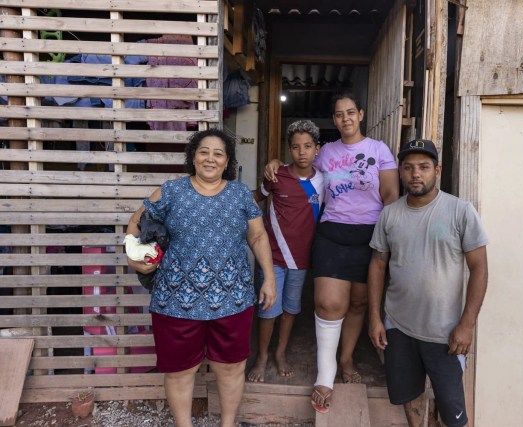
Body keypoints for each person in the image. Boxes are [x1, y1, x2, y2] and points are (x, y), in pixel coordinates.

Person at [125, 128, 276, 427]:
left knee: (231, 368)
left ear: (227, 161)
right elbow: (135, 222)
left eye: (218, 153)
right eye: (203, 151)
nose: (210, 158)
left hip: (233, 298)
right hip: (176, 300)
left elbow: (258, 236)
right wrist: (134, 257)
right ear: (193, 157)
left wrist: (269, 278)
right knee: (179, 371)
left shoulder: (241, 195)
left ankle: (228, 424)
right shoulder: (170, 191)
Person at [264, 93, 399, 413]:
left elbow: (392, 193)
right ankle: (326, 375)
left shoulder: (379, 150)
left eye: (351, 112)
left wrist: (390, 234)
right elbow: (296, 167)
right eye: (339, 115)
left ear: (361, 114)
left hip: (371, 234)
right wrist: (272, 163)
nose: (345, 119)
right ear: (334, 120)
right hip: (332, 233)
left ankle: (347, 358)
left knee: (359, 302)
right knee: (328, 302)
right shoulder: (325, 153)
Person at [367, 139, 489, 427]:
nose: (415, 174)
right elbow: (378, 265)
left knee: (453, 413)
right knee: (410, 397)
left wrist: (467, 324)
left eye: (423, 167)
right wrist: (375, 318)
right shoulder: (390, 214)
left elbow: (479, 268)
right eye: (408, 168)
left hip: (445, 333)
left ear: (437, 169)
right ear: (400, 172)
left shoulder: (460, 211)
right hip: (399, 326)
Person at [247, 120, 324, 383]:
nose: (302, 152)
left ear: (317, 149)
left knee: (291, 308)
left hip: (301, 260)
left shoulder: (324, 180)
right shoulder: (277, 175)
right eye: (295, 147)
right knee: (268, 309)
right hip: (273, 257)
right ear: (289, 150)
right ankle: (262, 356)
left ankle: (280, 353)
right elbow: (257, 195)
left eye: (307, 146)